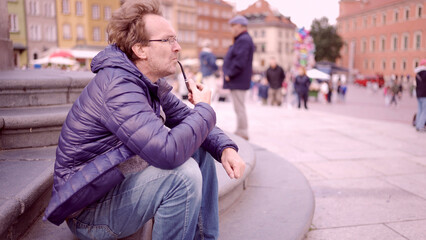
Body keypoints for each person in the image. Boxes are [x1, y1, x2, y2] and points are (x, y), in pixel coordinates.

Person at [43, 1, 246, 239]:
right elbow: (167, 153)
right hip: (90, 211)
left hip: (117, 185)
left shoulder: (145, 82)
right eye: (168, 40)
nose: (177, 47)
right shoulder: (118, 88)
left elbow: (184, 117)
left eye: (176, 39)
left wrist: (226, 148)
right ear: (140, 50)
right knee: (182, 175)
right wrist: (204, 108)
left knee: (199, 148)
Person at [223, 15, 254, 140]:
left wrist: (230, 73)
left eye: (233, 25)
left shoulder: (243, 40)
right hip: (239, 79)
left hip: (238, 79)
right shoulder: (242, 39)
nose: (232, 28)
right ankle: (241, 129)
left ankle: (243, 131)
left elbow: (240, 60)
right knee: (238, 106)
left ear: (241, 26)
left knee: (239, 106)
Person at [415, 59, 426, 132]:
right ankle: (421, 125)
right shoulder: (425, 73)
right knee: (424, 111)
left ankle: (417, 124)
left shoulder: (417, 73)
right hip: (424, 94)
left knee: (420, 110)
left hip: (418, 94)